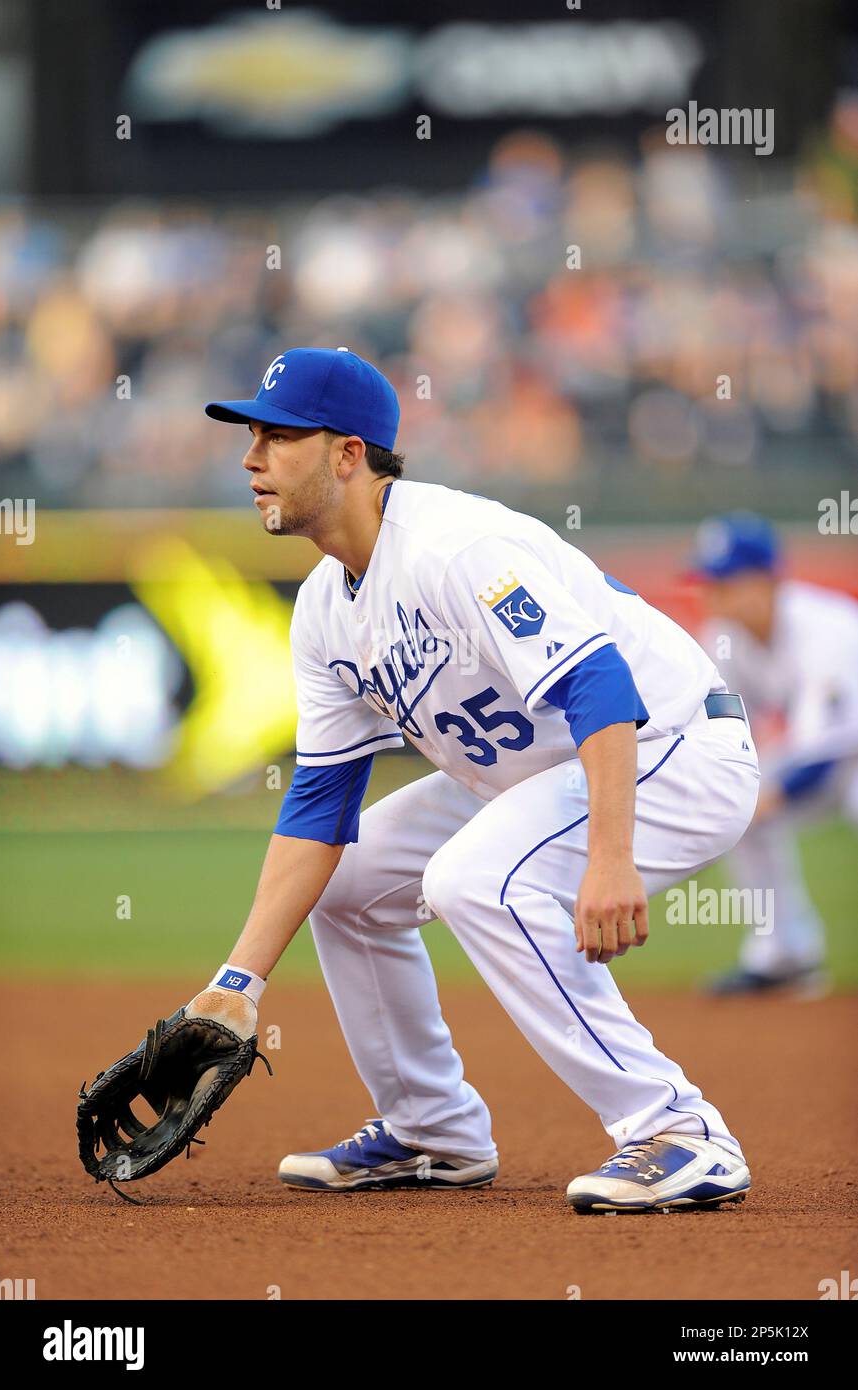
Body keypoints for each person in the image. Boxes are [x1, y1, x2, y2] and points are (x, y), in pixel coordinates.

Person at [190, 347, 760, 1214]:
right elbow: (320, 808)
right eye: (251, 436)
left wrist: (610, 858)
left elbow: (598, 686)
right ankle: (433, 1129)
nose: (250, 457)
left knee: (476, 879)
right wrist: (236, 986)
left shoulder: (456, 547)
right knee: (345, 886)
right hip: (534, 774)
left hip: (668, 747)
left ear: (348, 454)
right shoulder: (322, 612)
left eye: (276, 435)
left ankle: (679, 1130)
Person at [689, 512, 858, 995]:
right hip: (826, 751)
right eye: (710, 581)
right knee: (739, 804)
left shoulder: (827, 627)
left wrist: (766, 798)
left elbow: (823, 755)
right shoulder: (723, 638)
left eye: (725, 580)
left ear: (765, 580)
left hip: (842, 754)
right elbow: (719, 730)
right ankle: (784, 956)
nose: (713, 593)